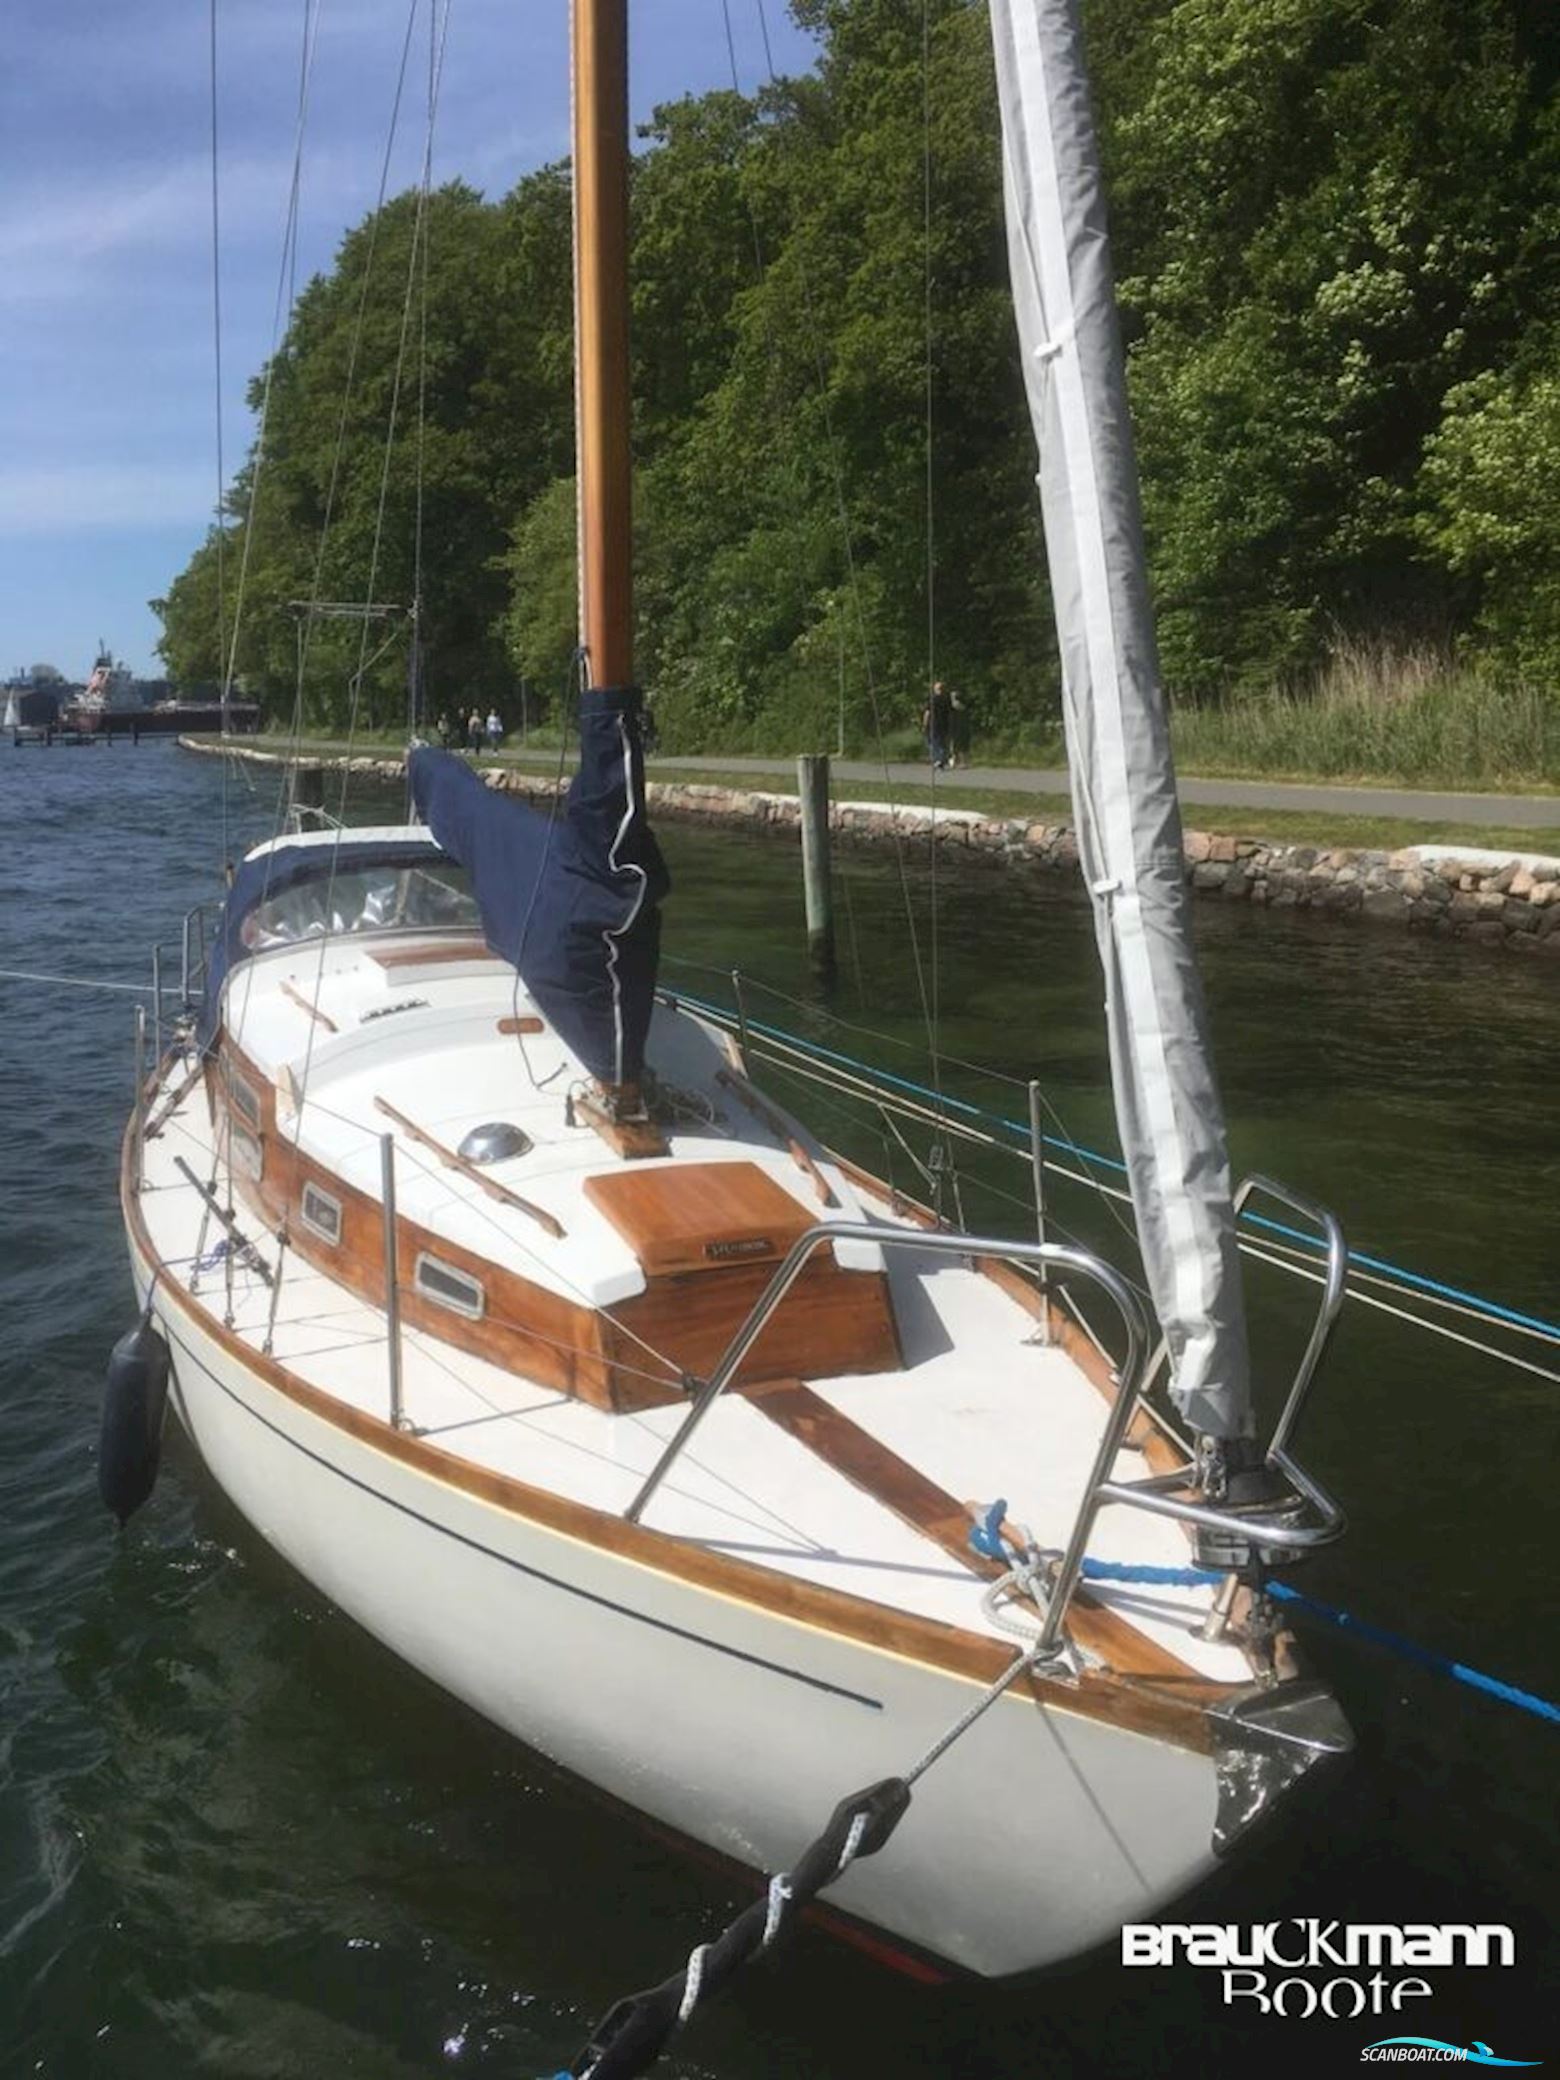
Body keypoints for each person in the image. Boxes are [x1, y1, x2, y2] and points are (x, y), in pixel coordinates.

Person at [922, 680, 953, 769]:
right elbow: (950, 713)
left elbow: (927, 712)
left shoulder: (932, 699)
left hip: (934, 724)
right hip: (944, 724)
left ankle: (938, 759)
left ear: (936, 689)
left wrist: (924, 724)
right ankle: (941, 759)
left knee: (932, 743)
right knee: (942, 743)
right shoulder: (947, 699)